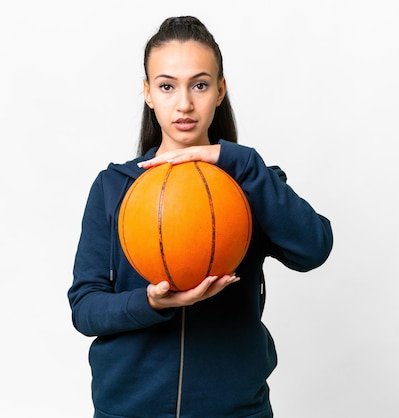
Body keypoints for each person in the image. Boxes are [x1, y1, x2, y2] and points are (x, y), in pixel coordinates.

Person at [68, 16, 333, 418]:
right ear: (148, 93)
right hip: (128, 410)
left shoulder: (252, 181)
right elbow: (85, 309)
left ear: (220, 90)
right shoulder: (113, 186)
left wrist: (242, 164)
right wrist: (150, 302)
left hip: (236, 410)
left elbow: (313, 249)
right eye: (167, 86)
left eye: (200, 84)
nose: (185, 103)